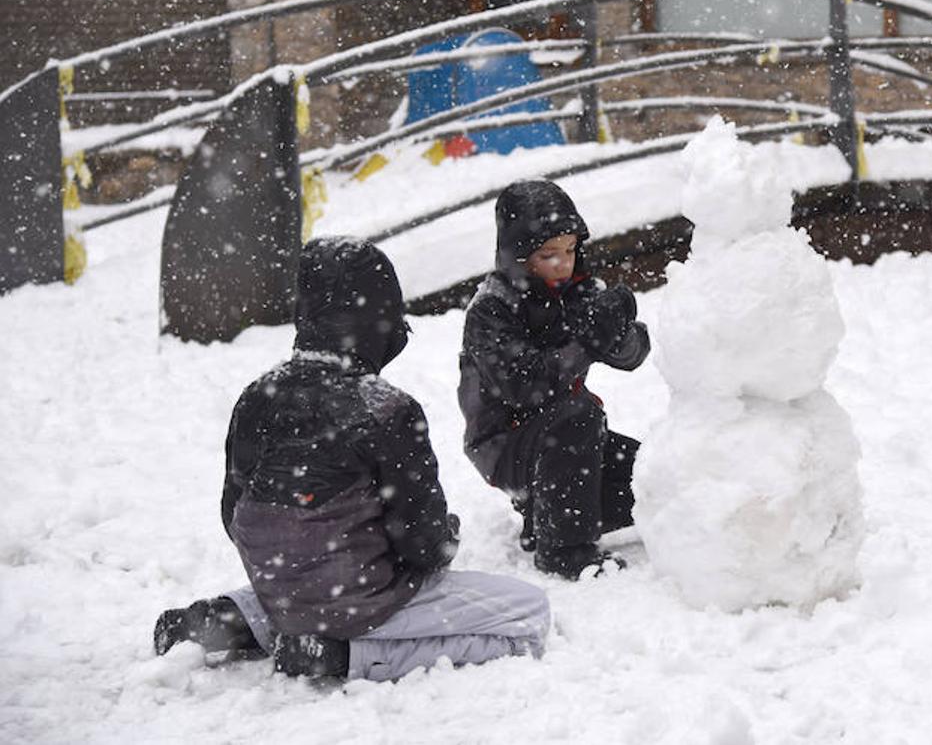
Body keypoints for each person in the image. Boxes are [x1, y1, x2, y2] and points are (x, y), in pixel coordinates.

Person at [153, 236, 550, 681]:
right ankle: (342, 656)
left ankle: (232, 619)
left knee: (308, 584)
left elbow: (233, 513)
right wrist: (444, 540)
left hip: (278, 586)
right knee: (528, 613)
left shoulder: (256, 397)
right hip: (360, 599)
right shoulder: (386, 409)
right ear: (379, 319)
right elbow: (422, 544)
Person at [458, 179, 650, 580]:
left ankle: (544, 518)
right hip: (506, 444)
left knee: (654, 477)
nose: (563, 263)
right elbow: (525, 385)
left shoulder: (576, 291)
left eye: (569, 250)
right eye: (549, 254)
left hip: (570, 440)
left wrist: (618, 330)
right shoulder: (491, 310)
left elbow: (633, 357)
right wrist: (587, 342)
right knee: (577, 416)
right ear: (519, 255)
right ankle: (565, 551)